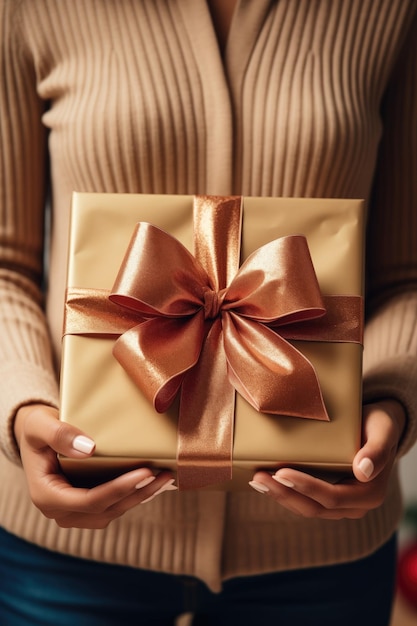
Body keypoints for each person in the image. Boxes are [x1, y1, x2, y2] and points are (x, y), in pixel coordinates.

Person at [0, 1, 416, 624]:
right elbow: (6, 263)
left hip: (321, 557)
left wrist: (392, 403)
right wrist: (23, 406)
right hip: (64, 554)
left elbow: (404, 276)